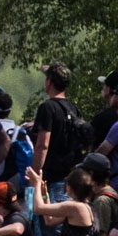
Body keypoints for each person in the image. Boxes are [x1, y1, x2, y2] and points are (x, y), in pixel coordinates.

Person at [33, 63, 88, 197]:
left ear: (49, 82)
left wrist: (35, 175)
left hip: (51, 180)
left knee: (46, 216)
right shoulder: (73, 109)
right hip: (70, 180)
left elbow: (42, 145)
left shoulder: (47, 107)